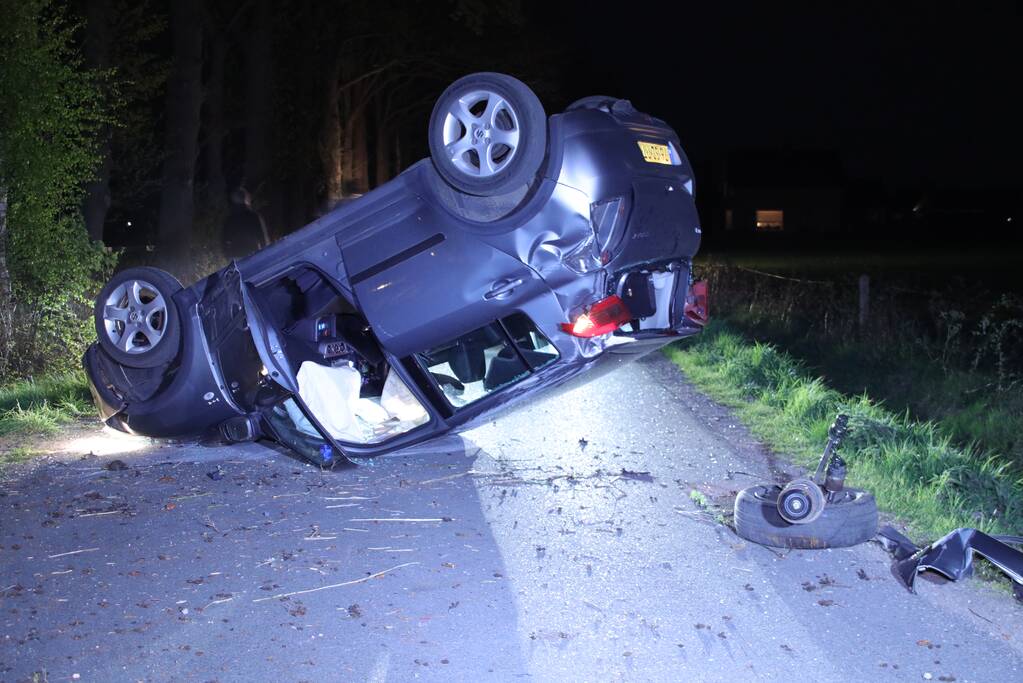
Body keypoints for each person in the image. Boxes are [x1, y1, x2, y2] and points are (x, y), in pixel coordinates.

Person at [221, 186, 271, 259]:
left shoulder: (229, 219)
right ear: (246, 200)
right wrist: (265, 255)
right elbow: (262, 237)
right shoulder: (253, 216)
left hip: (235, 255)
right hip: (252, 253)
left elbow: (224, 239)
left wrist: (227, 255)